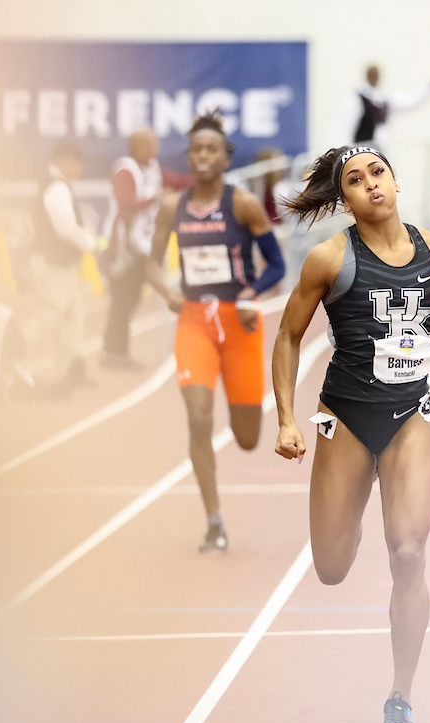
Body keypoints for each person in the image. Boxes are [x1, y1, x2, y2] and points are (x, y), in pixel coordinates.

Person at [271, 145, 430, 723]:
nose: (370, 185)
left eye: (378, 173)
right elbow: (288, 338)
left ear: (395, 181)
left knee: (409, 555)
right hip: (341, 417)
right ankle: (355, 497)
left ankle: (401, 694)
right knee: (332, 567)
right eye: (355, 180)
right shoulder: (329, 259)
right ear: (343, 198)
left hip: (410, 414)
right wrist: (288, 420)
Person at [147, 112, 287, 551]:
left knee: (247, 439)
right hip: (194, 323)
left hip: (239, 324)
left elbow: (278, 267)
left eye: (211, 149)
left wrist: (251, 293)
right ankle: (214, 522)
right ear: (188, 157)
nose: (203, 156)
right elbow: (150, 264)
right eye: (196, 150)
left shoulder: (242, 204)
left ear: (225, 157)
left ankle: (218, 512)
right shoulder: (173, 207)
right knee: (198, 418)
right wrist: (165, 289)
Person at [22, 140, 103, 391]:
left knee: (72, 315)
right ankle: (7, 351)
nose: (80, 170)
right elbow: (65, 229)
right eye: (78, 164)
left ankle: (69, 370)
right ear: (65, 162)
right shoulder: (57, 187)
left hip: (60, 262)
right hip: (52, 262)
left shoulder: (57, 184)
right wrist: (90, 242)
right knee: (51, 313)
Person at [100, 129, 163, 370]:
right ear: (138, 147)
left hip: (143, 244)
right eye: (151, 143)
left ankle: (116, 349)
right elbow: (125, 202)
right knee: (122, 299)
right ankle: (114, 351)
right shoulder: (125, 169)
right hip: (124, 246)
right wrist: (155, 197)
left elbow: (171, 181)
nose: (156, 147)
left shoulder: (152, 167)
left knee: (133, 297)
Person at [334, 65, 430, 149]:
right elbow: (345, 127)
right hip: (361, 150)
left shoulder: (384, 99)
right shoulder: (356, 99)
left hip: (381, 150)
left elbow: (411, 102)